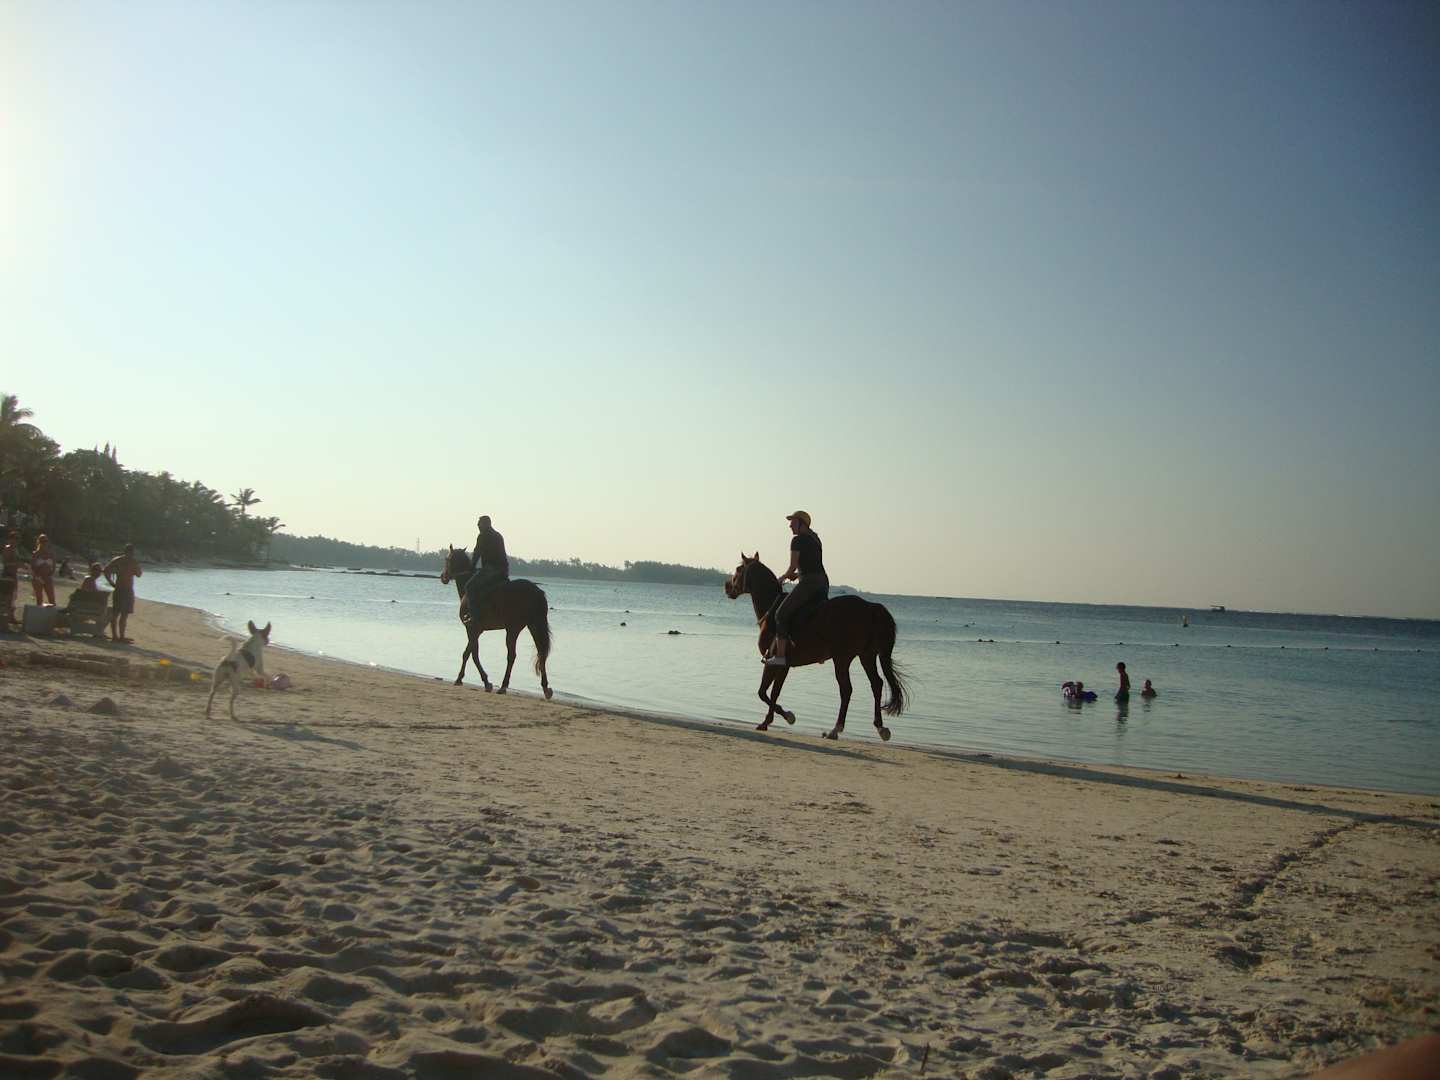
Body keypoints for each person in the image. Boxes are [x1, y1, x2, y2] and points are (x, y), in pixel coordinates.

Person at [765, 510, 828, 666]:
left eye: (793, 522)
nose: (790, 525)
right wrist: (797, 575)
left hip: (809, 584)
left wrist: (782, 578)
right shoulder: (815, 539)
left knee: (780, 615)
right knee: (811, 613)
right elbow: (812, 564)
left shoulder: (797, 540)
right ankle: (819, 649)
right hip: (822, 582)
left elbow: (792, 566)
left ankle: (780, 656)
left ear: (801, 524)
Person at [464, 515, 509, 624]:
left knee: (469, 587)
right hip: (503, 570)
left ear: (486, 524)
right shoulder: (498, 535)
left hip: (491, 569)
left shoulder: (482, 536)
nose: (478, 525)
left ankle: (474, 616)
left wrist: (471, 568)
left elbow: (477, 553)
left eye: (480, 523)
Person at [103, 543, 143, 642]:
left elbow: (106, 571)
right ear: (132, 552)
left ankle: (116, 636)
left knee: (117, 613)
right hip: (127, 589)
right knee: (123, 614)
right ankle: (120, 636)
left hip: (120, 588)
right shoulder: (132, 561)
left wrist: (111, 582)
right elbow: (139, 574)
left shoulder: (118, 560)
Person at [1, 529, 23, 628]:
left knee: (13, 597)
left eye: (17, 539)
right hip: (7, 575)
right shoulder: (7, 548)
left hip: (14, 575)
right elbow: (5, 563)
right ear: (10, 539)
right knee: (7, 598)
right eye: (14, 538)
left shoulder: (16, 549)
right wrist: (17, 564)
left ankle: (11, 617)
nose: (16, 541)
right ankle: (6, 619)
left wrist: (20, 565)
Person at [30, 533, 57, 606]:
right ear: (39, 542)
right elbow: (32, 567)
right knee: (39, 600)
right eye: (42, 541)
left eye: (45, 541)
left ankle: (51, 612)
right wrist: (38, 573)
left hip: (48, 578)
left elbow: (54, 568)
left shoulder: (51, 554)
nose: (44, 543)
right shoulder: (35, 554)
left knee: (52, 600)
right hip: (38, 577)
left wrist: (49, 575)